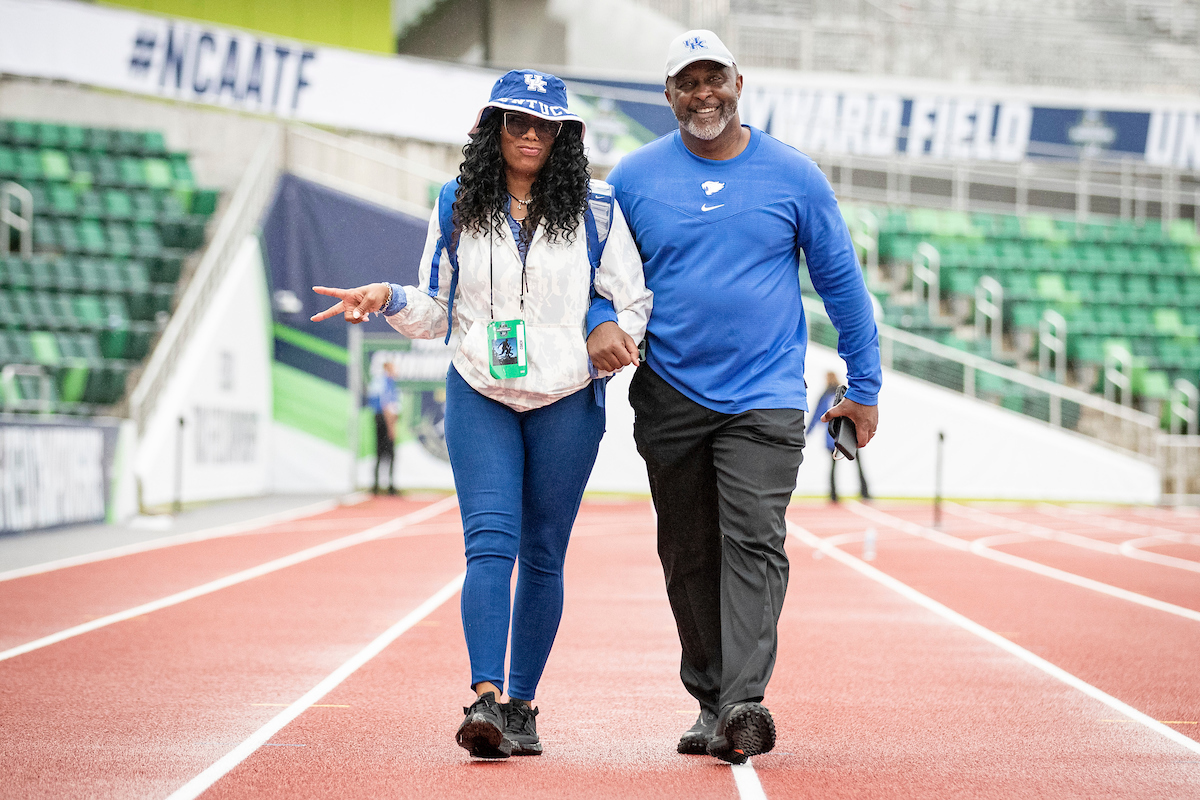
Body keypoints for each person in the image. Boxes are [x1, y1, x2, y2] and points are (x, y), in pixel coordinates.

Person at [311, 70, 651, 760]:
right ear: (493, 127)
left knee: (545, 554)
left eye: (543, 125)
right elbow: (439, 308)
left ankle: (523, 706)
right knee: (488, 543)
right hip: (480, 392)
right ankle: (486, 699)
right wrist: (389, 297)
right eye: (516, 121)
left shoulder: (598, 206)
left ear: (563, 135)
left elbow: (631, 297)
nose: (529, 135)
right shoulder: (457, 201)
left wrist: (609, 330)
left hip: (567, 399)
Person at [588, 30, 881, 764]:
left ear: (738, 83)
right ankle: (710, 698)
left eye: (713, 78)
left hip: (764, 398)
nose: (702, 94)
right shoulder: (633, 179)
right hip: (670, 392)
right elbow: (597, 281)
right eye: (687, 83)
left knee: (753, 541)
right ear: (668, 96)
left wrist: (865, 385)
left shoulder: (794, 175)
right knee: (688, 553)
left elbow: (841, 283)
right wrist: (598, 324)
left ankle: (744, 702)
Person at [808, 371, 871, 503]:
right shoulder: (844, 394)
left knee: (833, 467)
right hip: (848, 434)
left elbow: (817, 416)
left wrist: (807, 433)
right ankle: (865, 492)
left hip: (832, 437)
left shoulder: (825, 395)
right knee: (857, 464)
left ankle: (833, 495)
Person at [367, 360, 399, 495]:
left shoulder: (384, 382)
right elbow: (386, 405)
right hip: (383, 419)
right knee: (386, 452)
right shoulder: (385, 383)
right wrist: (391, 427)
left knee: (382, 453)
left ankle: (378, 485)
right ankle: (386, 486)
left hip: (382, 418)